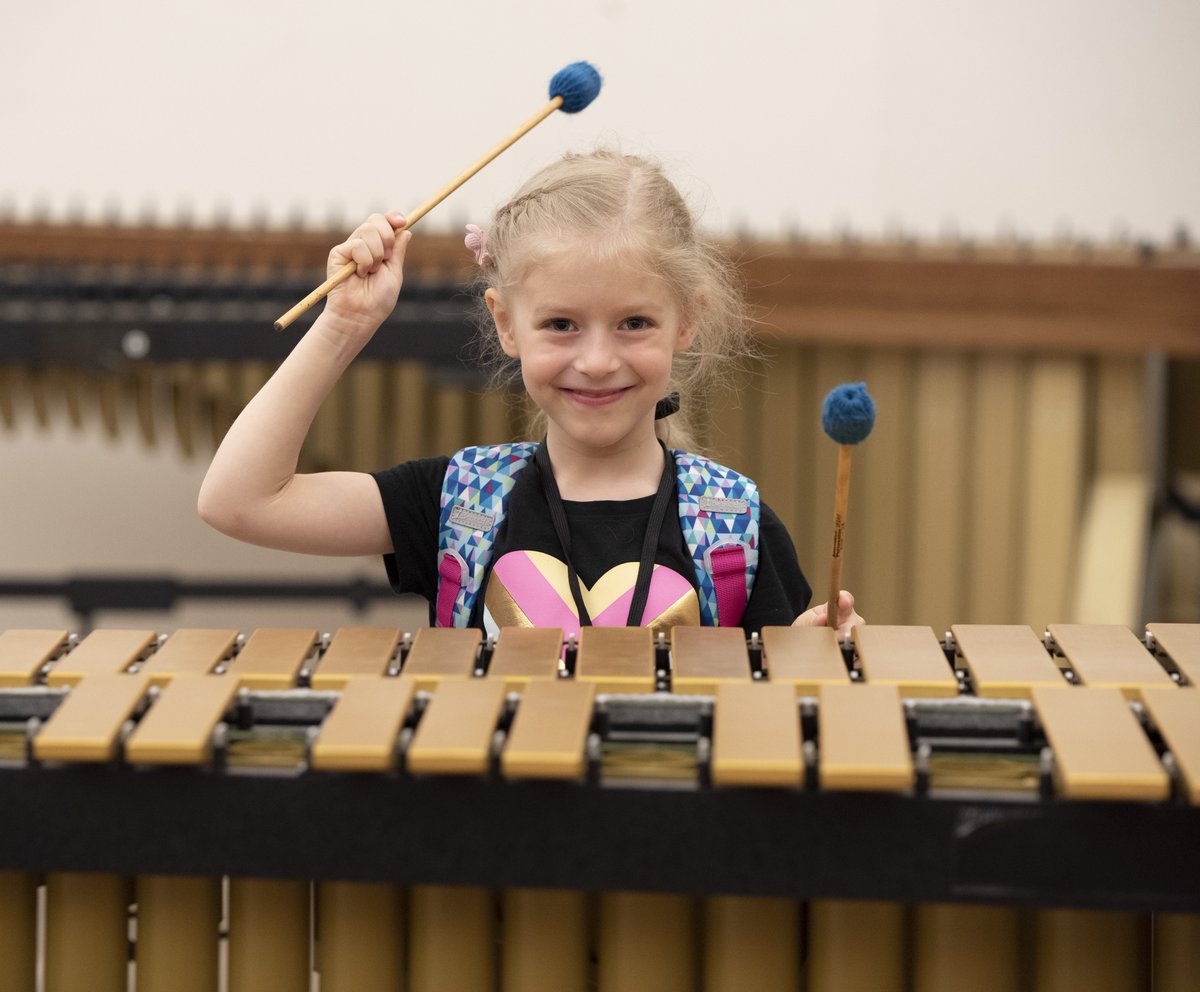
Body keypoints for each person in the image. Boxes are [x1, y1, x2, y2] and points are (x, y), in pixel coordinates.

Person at [198, 149, 863, 637]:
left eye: (634, 323)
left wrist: (807, 665)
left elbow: (772, 721)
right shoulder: (455, 502)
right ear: (506, 323)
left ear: (686, 320)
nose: (597, 361)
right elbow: (241, 502)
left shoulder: (737, 528)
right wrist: (344, 324)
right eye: (561, 325)